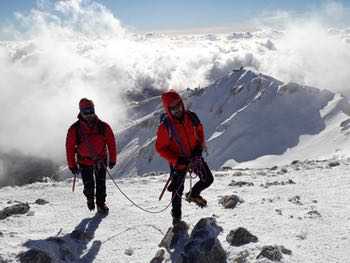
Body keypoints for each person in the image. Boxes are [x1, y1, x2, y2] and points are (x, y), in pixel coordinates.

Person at [155, 90, 214, 226]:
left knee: (208, 179)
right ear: (168, 110)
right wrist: (176, 160)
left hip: (194, 156)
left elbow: (199, 130)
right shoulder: (165, 127)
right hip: (179, 161)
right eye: (173, 108)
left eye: (179, 105)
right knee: (177, 189)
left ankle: (193, 194)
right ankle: (176, 217)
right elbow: (160, 148)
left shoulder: (192, 117)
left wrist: (199, 147)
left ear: (182, 103)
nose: (177, 109)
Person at [66, 98, 117, 214]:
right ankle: (90, 199)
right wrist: (72, 165)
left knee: (101, 184)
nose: (89, 114)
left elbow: (111, 143)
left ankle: (100, 204)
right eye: (86, 112)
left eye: (91, 111)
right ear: (81, 112)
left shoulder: (103, 127)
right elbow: (69, 148)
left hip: (100, 160)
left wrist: (112, 159)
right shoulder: (75, 129)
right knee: (88, 184)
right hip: (84, 161)